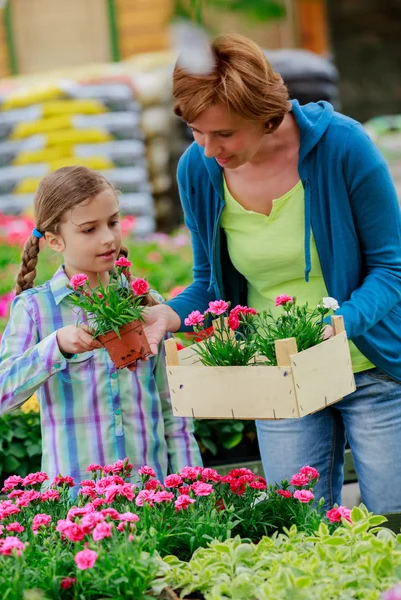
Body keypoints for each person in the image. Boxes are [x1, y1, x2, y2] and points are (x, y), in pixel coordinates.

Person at [144, 34, 401, 513]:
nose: (207, 149)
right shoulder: (198, 171)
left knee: (394, 520)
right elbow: (208, 283)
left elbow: (392, 268)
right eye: (197, 132)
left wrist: (333, 326)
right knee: (298, 526)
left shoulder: (343, 147)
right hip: (274, 373)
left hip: (370, 368)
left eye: (224, 134)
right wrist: (168, 316)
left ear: (267, 113)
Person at [0, 166, 202, 489]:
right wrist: (55, 346)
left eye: (113, 222)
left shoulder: (145, 304)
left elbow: (175, 411)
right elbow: (0, 394)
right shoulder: (35, 310)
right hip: (76, 504)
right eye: (89, 229)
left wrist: (190, 485)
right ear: (55, 241)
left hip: (150, 497)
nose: (108, 238)